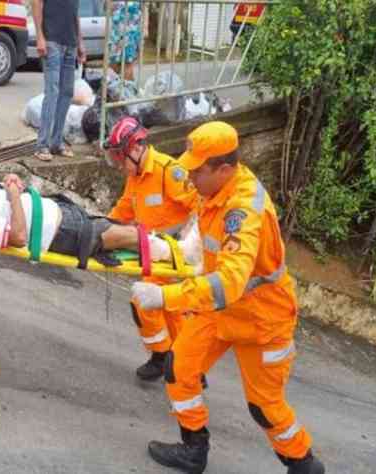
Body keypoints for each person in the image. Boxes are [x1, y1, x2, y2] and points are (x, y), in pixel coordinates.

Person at [130, 121, 325, 473]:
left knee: (264, 406)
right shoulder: (214, 191)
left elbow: (231, 281)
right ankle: (193, 449)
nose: (190, 179)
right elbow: (209, 248)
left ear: (224, 168)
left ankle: (303, 463)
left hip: (261, 319)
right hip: (219, 310)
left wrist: (165, 297)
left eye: (197, 172)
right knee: (180, 367)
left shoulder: (244, 210)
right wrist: (176, 249)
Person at [104, 116, 199, 382]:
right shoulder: (135, 177)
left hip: (175, 254)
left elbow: (198, 205)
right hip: (155, 253)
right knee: (169, 310)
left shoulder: (169, 170)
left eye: (120, 158)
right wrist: (99, 232)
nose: (119, 166)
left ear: (135, 149)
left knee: (147, 302)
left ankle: (166, 358)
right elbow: (122, 211)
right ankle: (181, 361)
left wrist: (189, 244)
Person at [0, 173, 203, 270]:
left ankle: (171, 248)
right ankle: (181, 253)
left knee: (116, 231)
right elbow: (18, 236)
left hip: (60, 215)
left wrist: (10, 184)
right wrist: (13, 196)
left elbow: (10, 206)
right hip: (60, 232)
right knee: (115, 235)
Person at [32, 0, 86, 161]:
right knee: (52, 92)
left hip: (70, 43)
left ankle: (56, 143)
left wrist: (80, 42)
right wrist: (40, 36)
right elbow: (37, 4)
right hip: (51, 41)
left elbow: (75, 14)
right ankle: (42, 145)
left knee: (67, 93)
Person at [109, 0, 142, 82]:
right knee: (114, 63)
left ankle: (128, 91)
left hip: (130, 32)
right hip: (115, 32)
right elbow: (107, 7)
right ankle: (121, 89)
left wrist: (145, 28)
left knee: (127, 63)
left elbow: (143, 9)